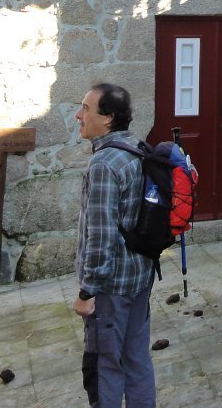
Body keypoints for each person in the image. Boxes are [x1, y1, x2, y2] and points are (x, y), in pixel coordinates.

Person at [73, 84, 156, 407]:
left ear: (107, 118)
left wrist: (87, 292)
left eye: (86, 108)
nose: (78, 115)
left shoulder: (104, 164)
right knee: (137, 359)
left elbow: (101, 236)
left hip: (111, 288)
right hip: (140, 276)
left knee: (105, 368)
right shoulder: (137, 147)